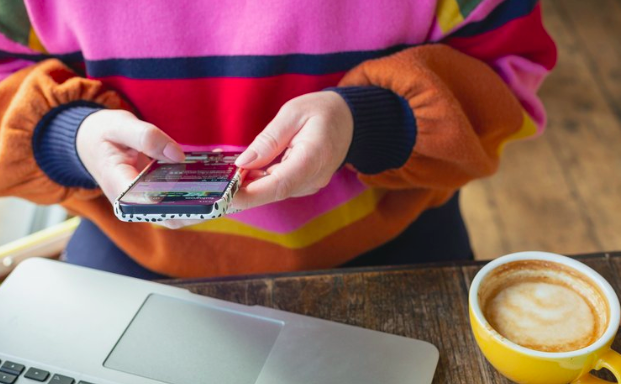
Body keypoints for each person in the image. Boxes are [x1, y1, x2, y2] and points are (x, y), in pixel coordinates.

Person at [0, 0, 556, 279]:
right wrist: (66, 135)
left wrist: (368, 122)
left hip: (392, 237)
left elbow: (507, 76)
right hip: (131, 248)